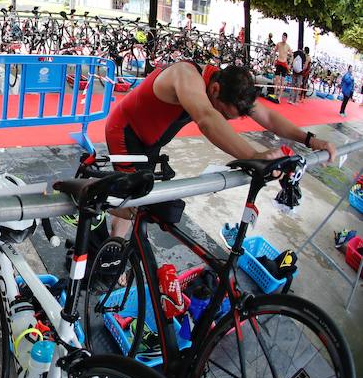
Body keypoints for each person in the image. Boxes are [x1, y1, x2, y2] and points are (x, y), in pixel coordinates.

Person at [104, 61, 336, 249]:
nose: (223, 119)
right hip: (125, 133)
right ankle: (92, 199)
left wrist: (311, 140)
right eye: (224, 113)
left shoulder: (229, 90)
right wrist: (256, 156)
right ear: (214, 90)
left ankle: (115, 242)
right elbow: (207, 118)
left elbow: (269, 118)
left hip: (150, 139)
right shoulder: (185, 76)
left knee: (139, 199)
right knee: (132, 203)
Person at [273, 32, 291, 101]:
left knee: (282, 82)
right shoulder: (278, 44)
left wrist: (289, 64)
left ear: (286, 38)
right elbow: (274, 51)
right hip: (279, 62)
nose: (283, 38)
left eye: (284, 37)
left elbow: (292, 55)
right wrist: (274, 59)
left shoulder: (288, 46)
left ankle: (279, 97)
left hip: (284, 64)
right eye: (282, 37)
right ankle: (275, 94)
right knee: (276, 80)